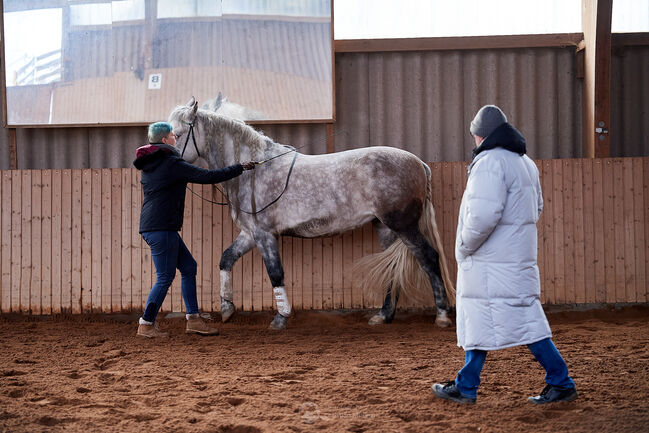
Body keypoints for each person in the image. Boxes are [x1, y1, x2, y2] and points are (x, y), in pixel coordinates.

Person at [432, 105, 578, 405]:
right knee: (511, 321)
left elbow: (483, 215)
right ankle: (468, 384)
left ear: (479, 135)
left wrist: (464, 246)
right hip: (515, 259)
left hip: (490, 262)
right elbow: (536, 208)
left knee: (502, 322)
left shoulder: (489, 162)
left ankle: (559, 381)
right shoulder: (525, 162)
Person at [133, 121, 255, 338]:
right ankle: (146, 323)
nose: (176, 138)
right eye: (173, 135)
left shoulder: (152, 162)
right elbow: (207, 177)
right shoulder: (171, 163)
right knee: (165, 277)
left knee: (188, 267)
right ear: (164, 140)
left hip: (158, 227)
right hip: (162, 228)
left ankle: (194, 320)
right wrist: (240, 167)